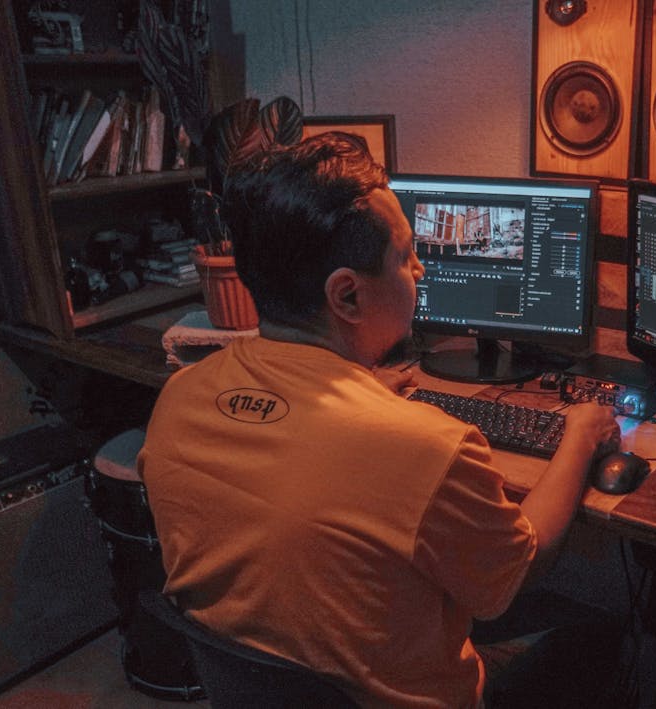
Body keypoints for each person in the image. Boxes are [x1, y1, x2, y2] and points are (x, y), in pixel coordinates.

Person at [138, 132, 622, 707]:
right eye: (403, 255)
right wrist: (580, 436)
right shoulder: (426, 446)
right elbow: (520, 570)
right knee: (600, 628)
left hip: (261, 690)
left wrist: (358, 389)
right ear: (346, 297)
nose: (419, 269)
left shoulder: (181, 396)